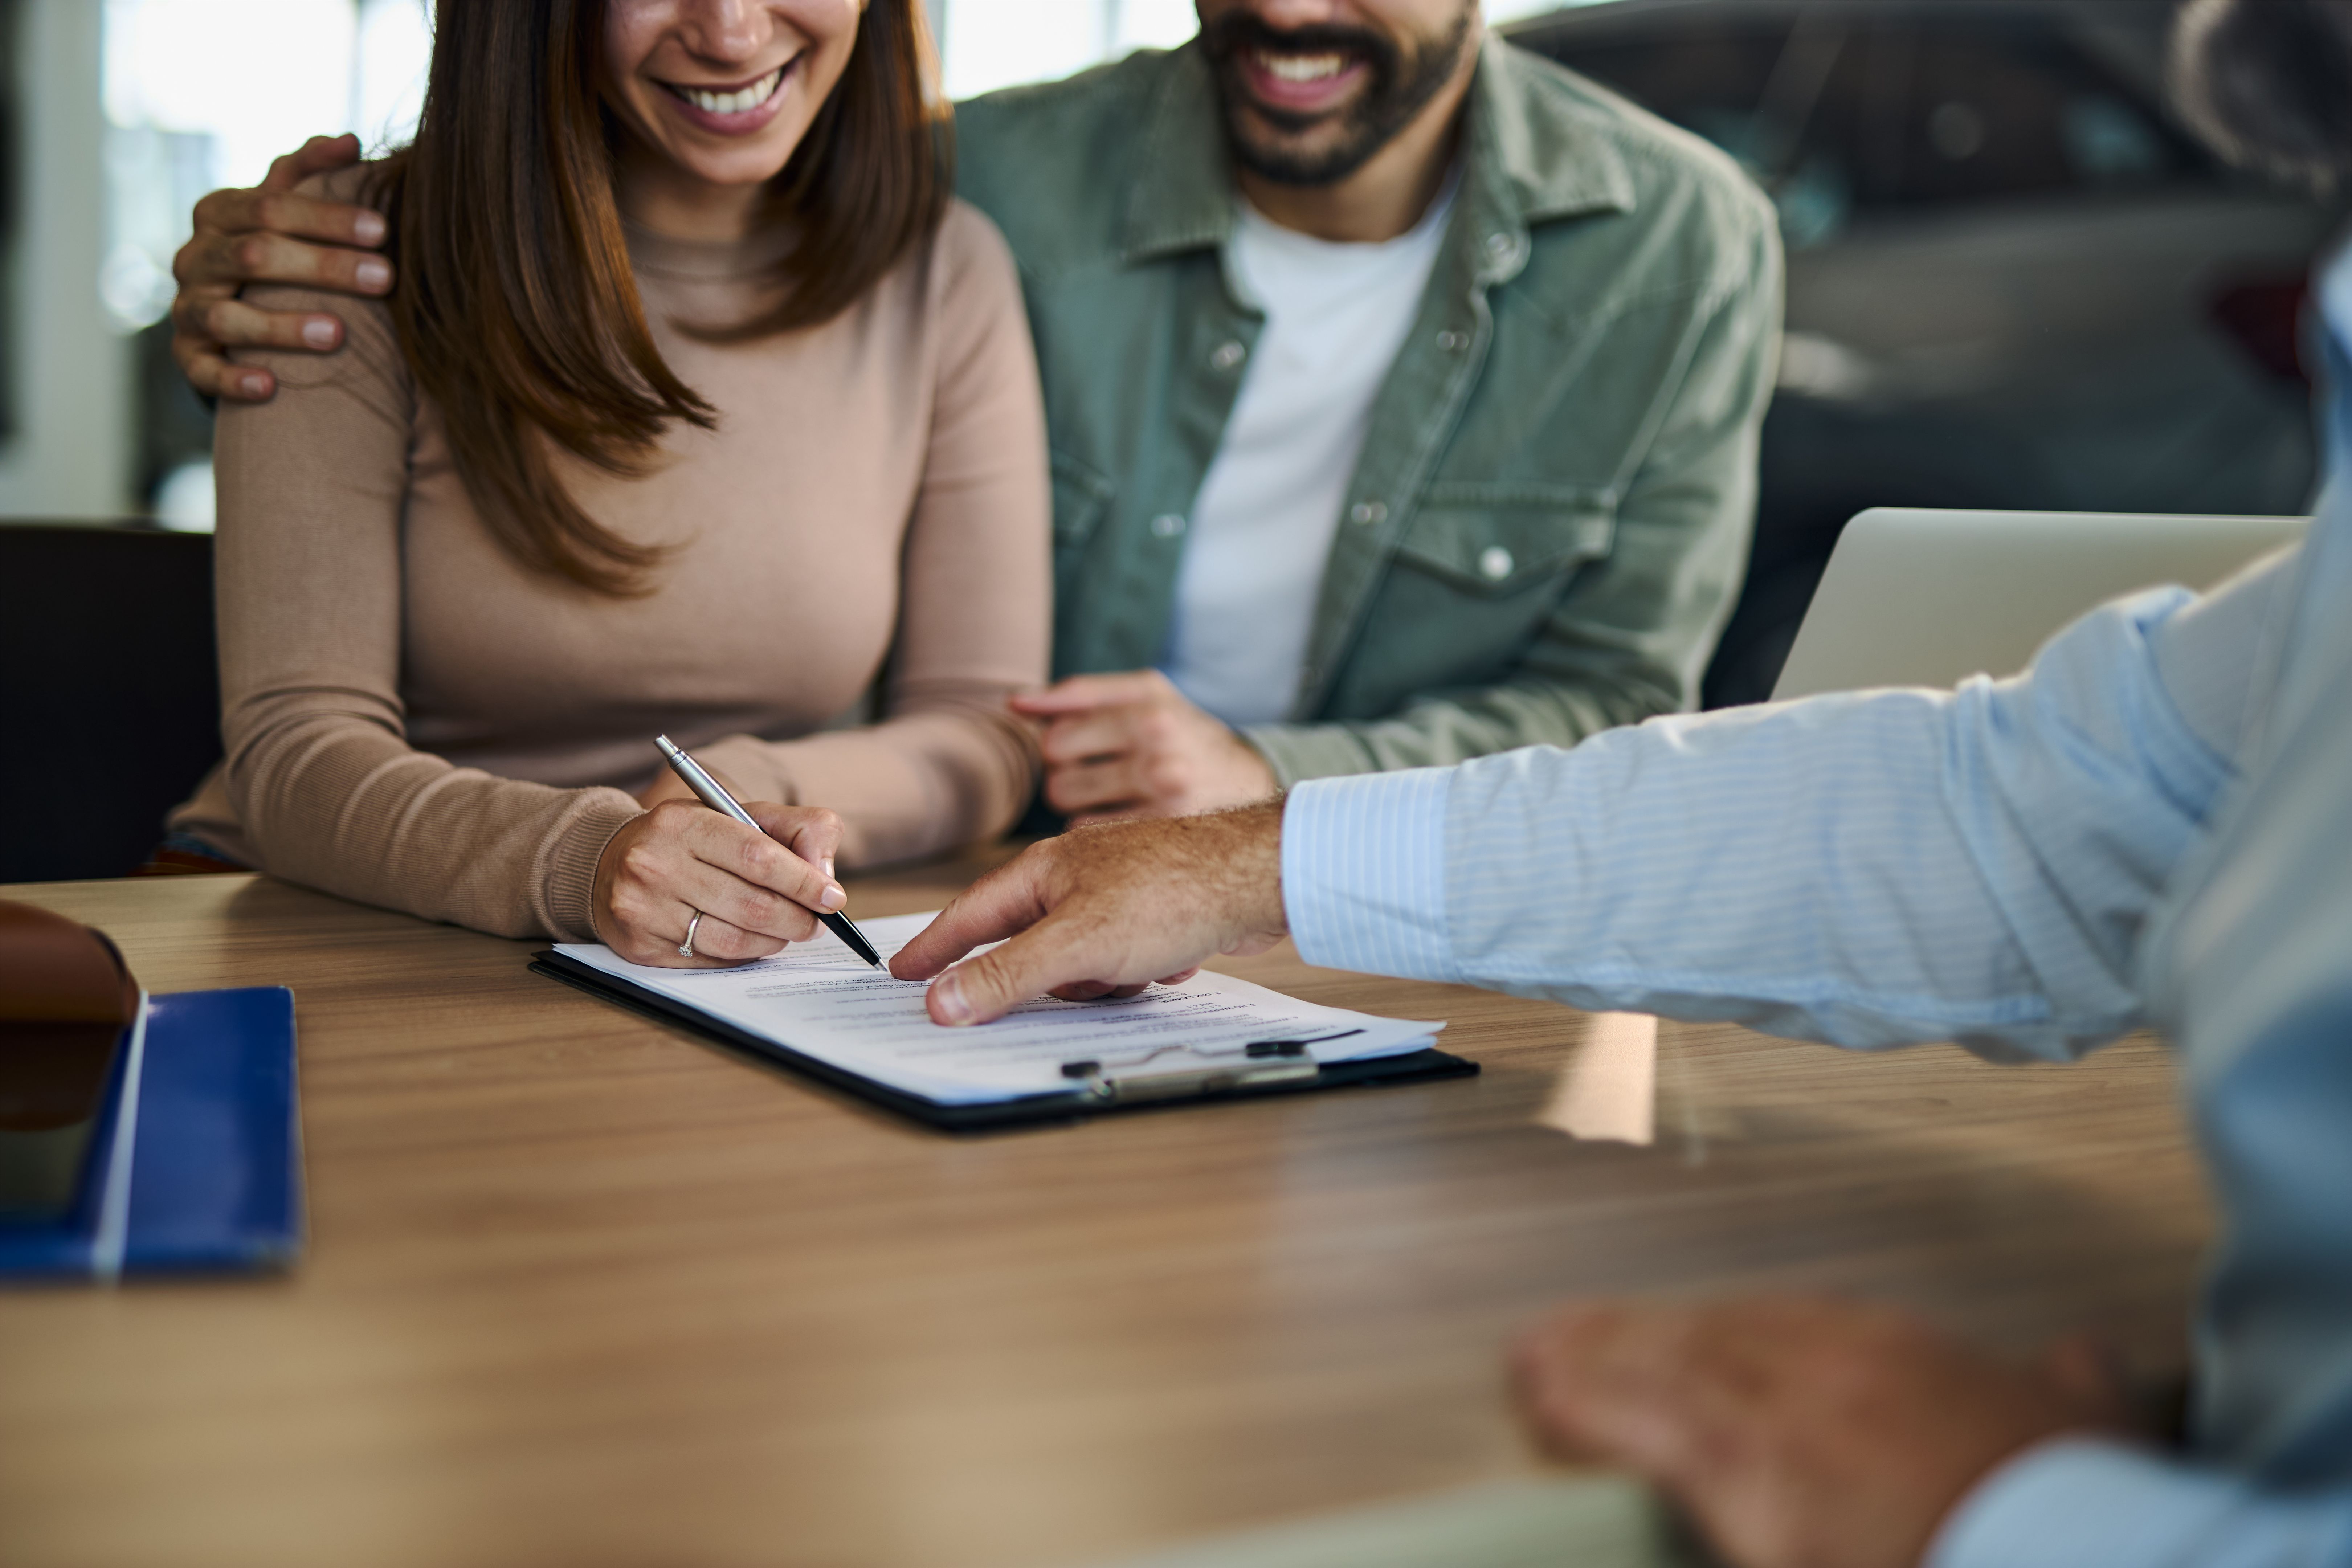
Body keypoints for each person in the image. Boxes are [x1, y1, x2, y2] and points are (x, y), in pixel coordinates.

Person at [879, 2, 2352, 1562]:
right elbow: (2032, 812)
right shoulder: (994, 182)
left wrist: (2040, 1522)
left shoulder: (1680, 232)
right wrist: (1253, 858)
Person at [166, 0, 1781, 826]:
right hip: (981, 901)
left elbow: (1622, 700)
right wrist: (253, 266)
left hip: (1356, 901)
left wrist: (1275, 775)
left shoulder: (1682, 247)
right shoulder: (976, 185)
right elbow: (683, 181)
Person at [164, 0, 1050, 968]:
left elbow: (986, 736)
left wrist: (748, 786)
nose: (731, 34)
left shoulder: (946, 269)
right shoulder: (338, 251)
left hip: (715, 955)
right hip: (332, 935)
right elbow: (292, 752)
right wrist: (591, 859)